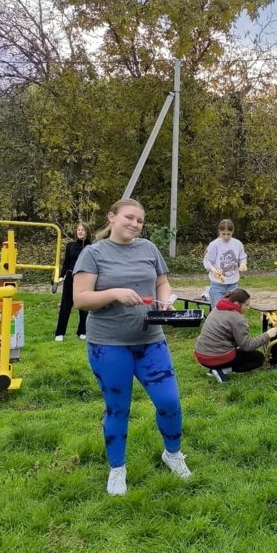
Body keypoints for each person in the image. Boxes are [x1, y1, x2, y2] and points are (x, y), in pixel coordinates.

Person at [73, 198, 190, 496]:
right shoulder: (93, 253)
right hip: (108, 345)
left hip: (151, 341)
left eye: (139, 220)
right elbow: (81, 299)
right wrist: (114, 293)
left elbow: (162, 282)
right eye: (129, 217)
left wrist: (166, 298)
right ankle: (117, 469)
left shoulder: (148, 248)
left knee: (169, 402)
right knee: (118, 409)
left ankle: (173, 454)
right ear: (112, 217)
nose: (135, 224)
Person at [193, 288, 277, 383]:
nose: (248, 308)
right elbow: (247, 346)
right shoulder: (237, 318)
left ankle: (213, 369)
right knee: (258, 358)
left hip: (201, 354)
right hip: (214, 357)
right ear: (237, 304)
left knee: (239, 348)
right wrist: (267, 334)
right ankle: (221, 370)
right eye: (246, 305)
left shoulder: (218, 307)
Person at [54, 221, 92, 341]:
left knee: (84, 305)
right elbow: (66, 262)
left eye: (83, 230)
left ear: (87, 232)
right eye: (78, 229)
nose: (80, 231)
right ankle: (60, 333)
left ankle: (82, 331)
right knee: (66, 304)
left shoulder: (91, 247)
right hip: (71, 277)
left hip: (85, 277)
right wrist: (61, 276)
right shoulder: (70, 245)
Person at [202, 219, 247, 308]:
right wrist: (212, 269)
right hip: (217, 284)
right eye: (223, 234)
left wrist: (243, 264)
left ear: (232, 231)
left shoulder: (238, 244)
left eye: (228, 234)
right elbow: (206, 261)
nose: (226, 237)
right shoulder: (214, 245)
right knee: (218, 309)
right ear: (219, 231)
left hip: (233, 284)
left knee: (233, 309)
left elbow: (242, 257)